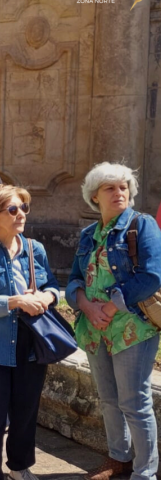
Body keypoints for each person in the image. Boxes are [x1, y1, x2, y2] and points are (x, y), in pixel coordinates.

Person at [66, 163, 161, 480]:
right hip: (95, 329)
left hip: (132, 329)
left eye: (123, 187)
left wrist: (107, 307)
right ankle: (118, 459)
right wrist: (85, 306)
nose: (119, 192)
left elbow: (152, 277)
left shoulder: (142, 225)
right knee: (108, 399)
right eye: (110, 187)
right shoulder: (88, 235)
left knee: (135, 402)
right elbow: (74, 280)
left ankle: (144, 472)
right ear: (95, 196)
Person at [0, 185, 60, 480]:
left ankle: (19, 466)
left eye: (23, 208)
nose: (21, 215)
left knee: (25, 412)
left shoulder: (35, 249)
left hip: (30, 344)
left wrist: (47, 298)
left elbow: (53, 285)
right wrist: (15, 302)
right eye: (13, 209)